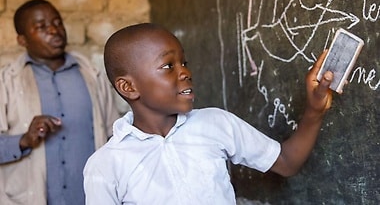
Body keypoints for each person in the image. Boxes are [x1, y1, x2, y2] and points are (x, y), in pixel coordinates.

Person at [83, 23, 334, 205]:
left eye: (184, 63)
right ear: (129, 87)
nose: (184, 73)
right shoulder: (106, 165)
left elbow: (287, 163)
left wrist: (314, 110)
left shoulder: (214, 123)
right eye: (168, 66)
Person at [0, 0, 120, 205]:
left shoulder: (93, 76)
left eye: (57, 22)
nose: (54, 30)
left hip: (90, 198)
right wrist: (24, 140)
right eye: (41, 26)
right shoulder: (6, 82)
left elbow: (115, 137)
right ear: (22, 40)